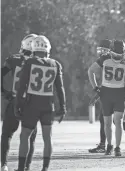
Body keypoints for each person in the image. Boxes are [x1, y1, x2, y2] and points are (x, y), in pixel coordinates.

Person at [15, 35, 67, 171]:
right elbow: (60, 89)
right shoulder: (56, 64)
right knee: (47, 138)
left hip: (32, 104)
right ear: (47, 49)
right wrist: (63, 107)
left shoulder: (30, 62)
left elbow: (21, 86)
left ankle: (21, 168)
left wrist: (18, 104)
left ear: (33, 48)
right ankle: (45, 168)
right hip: (48, 104)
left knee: (25, 135)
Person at [88, 39, 125, 153]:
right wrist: (96, 88)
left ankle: (115, 147)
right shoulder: (110, 58)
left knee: (116, 121)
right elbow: (91, 71)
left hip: (116, 94)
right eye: (115, 54)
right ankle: (110, 146)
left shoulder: (121, 60)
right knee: (109, 122)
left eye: (119, 55)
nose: (117, 57)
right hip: (112, 93)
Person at [1, 34, 38, 171]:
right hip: (32, 103)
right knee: (30, 137)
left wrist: (4, 92)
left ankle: (3, 165)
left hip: (16, 100)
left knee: (7, 134)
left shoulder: (14, 59)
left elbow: (1, 73)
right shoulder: (42, 62)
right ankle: (26, 167)